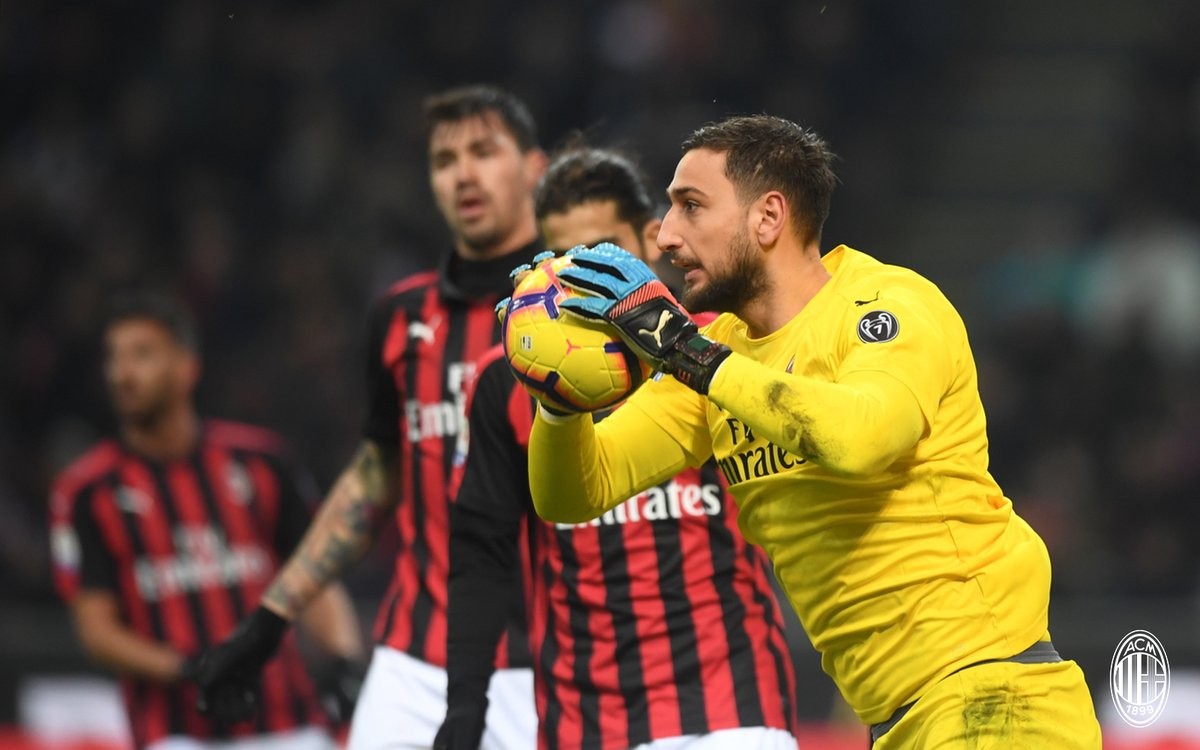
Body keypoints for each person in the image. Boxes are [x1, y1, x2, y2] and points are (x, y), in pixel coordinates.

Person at [514, 116, 1105, 748]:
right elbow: (574, 494)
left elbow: (861, 439)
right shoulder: (718, 354)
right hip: (904, 719)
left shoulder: (888, 305)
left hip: (995, 696)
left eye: (691, 206)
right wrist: (560, 394)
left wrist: (685, 350)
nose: (665, 235)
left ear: (768, 217)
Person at [193, 85, 546, 749]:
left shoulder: (577, 313)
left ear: (534, 168)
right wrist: (269, 621)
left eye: (483, 152)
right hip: (413, 662)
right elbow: (376, 473)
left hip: (547, 668)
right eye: (444, 160)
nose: (463, 174)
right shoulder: (399, 316)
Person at [434, 147, 799, 750]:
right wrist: (465, 705)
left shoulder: (715, 350)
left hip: (733, 706)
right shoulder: (505, 383)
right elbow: (482, 552)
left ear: (652, 240)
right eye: (567, 259)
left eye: (604, 252)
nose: (585, 281)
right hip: (585, 723)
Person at [48, 291, 364, 750]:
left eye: (142, 355)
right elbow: (96, 631)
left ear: (186, 367)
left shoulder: (262, 462)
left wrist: (343, 659)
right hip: (175, 733)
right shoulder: (86, 492)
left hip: (289, 722)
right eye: (114, 358)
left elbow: (316, 577)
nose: (122, 373)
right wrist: (189, 668)